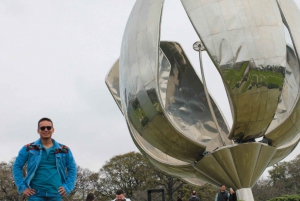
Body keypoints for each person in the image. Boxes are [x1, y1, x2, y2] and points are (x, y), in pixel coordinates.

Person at [12, 117, 77, 201]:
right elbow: (16, 166)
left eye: (48, 127)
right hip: (35, 194)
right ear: (38, 130)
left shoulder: (64, 149)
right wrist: (22, 187)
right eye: (42, 128)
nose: (46, 130)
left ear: (53, 130)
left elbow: (72, 168)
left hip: (56, 194)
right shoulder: (29, 148)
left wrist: (67, 187)